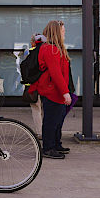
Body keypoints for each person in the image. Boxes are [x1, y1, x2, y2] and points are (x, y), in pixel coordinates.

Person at [28, 20, 72, 160]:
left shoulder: (54, 48)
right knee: (51, 120)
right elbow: (55, 73)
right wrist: (65, 92)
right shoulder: (51, 49)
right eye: (63, 31)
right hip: (52, 91)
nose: (65, 33)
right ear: (57, 32)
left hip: (55, 90)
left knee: (57, 119)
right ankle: (48, 147)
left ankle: (56, 144)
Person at [26, 33, 47, 137]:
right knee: (45, 109)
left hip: (33, 85)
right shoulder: (46, 51)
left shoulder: (30, 53)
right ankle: (47, 131)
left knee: (36, 109)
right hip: (45, 85)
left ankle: (39, 132)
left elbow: (25, 67)